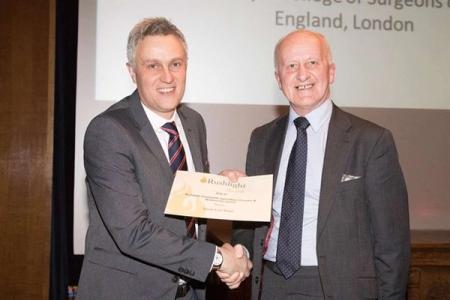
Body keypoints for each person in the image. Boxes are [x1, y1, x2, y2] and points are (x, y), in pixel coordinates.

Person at [77, 17, 251, 300]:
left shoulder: (194, 123)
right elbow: (133, 232)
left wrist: (220, 187)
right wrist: (218, 259)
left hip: (189, 292)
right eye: (153, 65)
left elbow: (178, 202)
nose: (168, 77)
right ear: (132, 72)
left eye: (176, 64)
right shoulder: (108, 131)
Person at [231, 29, 410, 299]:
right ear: (279, 79)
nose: (302, 74)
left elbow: (392, 243)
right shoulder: (261, 138)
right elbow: (250, 223)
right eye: (291, 66)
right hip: (271, 284)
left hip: (340, 287)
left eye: (312, 63)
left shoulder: (372, 141)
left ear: (332, 72)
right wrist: (240, 247)